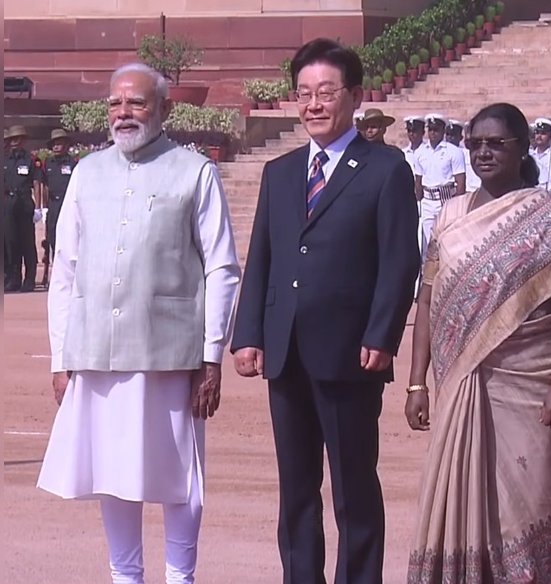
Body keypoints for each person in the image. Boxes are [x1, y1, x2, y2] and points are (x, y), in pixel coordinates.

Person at [405, 102, 551, 584]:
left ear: (523, 148)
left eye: (497, 143)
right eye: (475, 144)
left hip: (532, 388)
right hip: (459, 384)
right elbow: (427, 299)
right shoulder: (450, 215)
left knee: (528, 502)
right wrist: (416, 384)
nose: (484, 153)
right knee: (460, 494)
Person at [36, 63, 241, 584]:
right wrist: (62, 358)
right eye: (115, 104)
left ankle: (181, 576)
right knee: (113, 472)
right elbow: (66, 269)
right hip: (97, 351)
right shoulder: (87, 172)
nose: (123, 113)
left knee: (180, 479)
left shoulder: (194, 171)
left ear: (165, 110)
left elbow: (221, 266)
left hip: (171, 354)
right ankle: (125, 577)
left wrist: (212, 356)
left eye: (137, 103)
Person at [230, 38, 419, 584]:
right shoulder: (281, 172)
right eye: (304, 93)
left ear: (354, 96)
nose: (314, 104)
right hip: (285, 351)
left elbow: (399, 261)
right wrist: (248, 333)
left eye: (326, 93)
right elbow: (261, 256)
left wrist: (382, 334)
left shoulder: (384, 169)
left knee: (354, 488)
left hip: (351, 354)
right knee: (296, 489)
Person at [413, 113, 466, 267]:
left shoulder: (454, 151)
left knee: (447, 241)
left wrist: (457, 206)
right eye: (431, 129)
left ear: (443, 131)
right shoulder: (420, 152)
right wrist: (419, 203)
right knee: (428, 244)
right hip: (428, 201)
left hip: (447, 199)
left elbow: (460, 183)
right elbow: (418, 181)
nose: (433, 133)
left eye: (436, 129)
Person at [4, 124, 43, 292]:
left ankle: (29, 279)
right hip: (8, 205)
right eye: (11, 139)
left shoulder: (31, 160)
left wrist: (39, 208)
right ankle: (14, 279)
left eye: (17, 139)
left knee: (27, 244)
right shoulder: (5, 160)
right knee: (11, 243)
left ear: (23, 140)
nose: (14, 142)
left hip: (25, 204)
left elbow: (36, 183)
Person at [41, 129, 78, 275]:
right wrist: (43, 208)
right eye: (54, 144)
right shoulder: (48, 163)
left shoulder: (73, 163)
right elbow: (43, 186)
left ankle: (70, 273)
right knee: (52, 239)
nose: (56, 147)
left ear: (67, 144)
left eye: (59, 144)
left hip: (68, 204)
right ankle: (55, 273)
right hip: (53, 205)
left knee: (70, 238)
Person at [528, 118, 551, 190]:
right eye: (537, 132)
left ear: (550, 136)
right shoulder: (530, 155)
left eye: (543, 133)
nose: (539, 136)